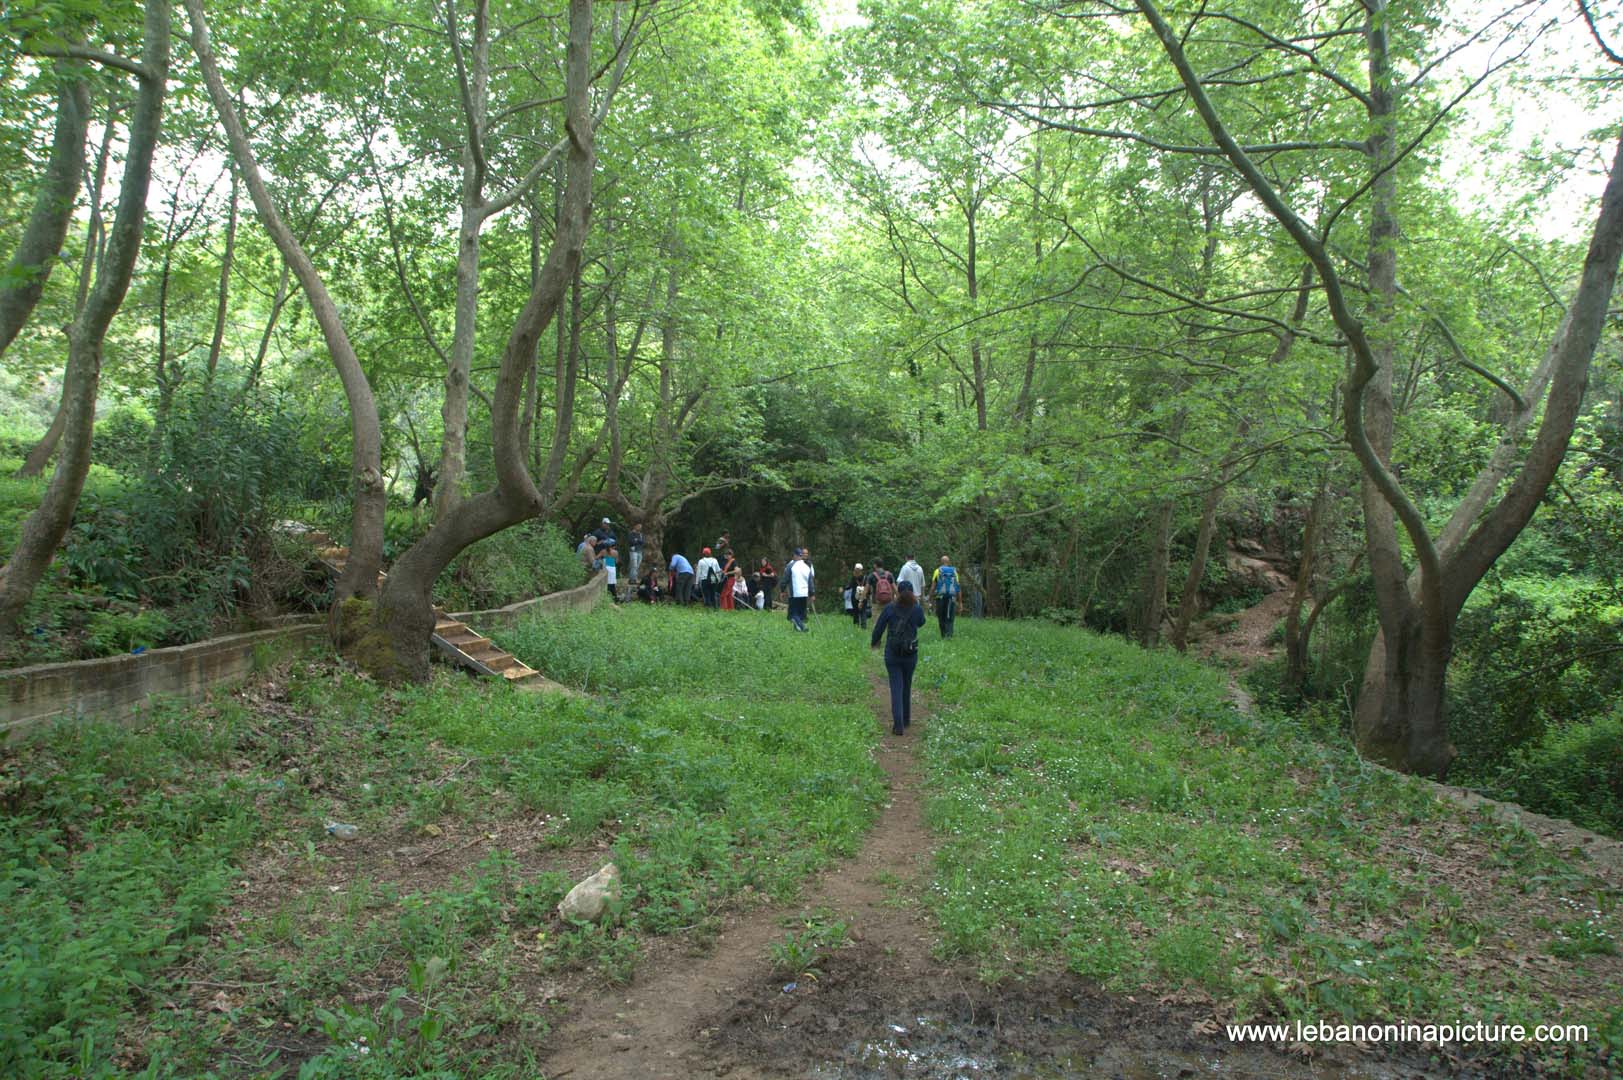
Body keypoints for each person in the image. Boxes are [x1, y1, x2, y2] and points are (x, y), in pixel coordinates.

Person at [871, 580, 925, 735]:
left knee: (896, 687)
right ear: (912, 592)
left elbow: (879, 627)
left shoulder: (889, 608)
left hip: (892, 654)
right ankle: (906, 719)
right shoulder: (917, 609)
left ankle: (898, 725)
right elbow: (922, 623)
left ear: (897, 592)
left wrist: (875, 642)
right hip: (910, 654)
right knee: (906, 686)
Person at [930, 555, 960, 638]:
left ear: (941, 562)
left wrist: (930, 598)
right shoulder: (954, 572)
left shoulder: (937, 571)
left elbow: (933, 587)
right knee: (950, 617)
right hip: (952, 597)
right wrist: (960, 602)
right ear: (948, 562)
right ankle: (949, 636)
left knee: (941, 616)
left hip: (940, 597)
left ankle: (943, 635)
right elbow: (958, 587)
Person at [786, 547, 814, 632]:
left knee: (792, 614)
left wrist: (782, 589)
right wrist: (812, 593)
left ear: (795, 555)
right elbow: (810, 581)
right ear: (801, 556)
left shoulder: (791, 565)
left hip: (795, 593)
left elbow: (785, 578)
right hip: (804, 593)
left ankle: (802, 627)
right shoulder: (806, 566)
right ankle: (798, 628)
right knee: (801, 613)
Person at [848, 563, 867, 627]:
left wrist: (843, 588)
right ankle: (863, 626)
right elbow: (868, 588)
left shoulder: (854, 578)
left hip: (855, 597)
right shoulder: (865, 577)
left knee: (855, 612)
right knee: (863, 611)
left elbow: (849, 586)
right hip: (863, 597)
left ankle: (856, 626)